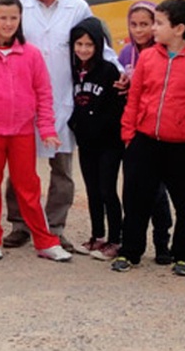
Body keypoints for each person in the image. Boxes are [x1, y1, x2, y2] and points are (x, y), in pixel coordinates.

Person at [5, 0, 120, 253]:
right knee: (20, 166)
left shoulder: (77, 7)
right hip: (22, 101)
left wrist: (121, 73)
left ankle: (55, 227)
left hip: (63, 100)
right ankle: (19, 224)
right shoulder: (19, 4)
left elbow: (99, 46)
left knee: (62, 170)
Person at [111, 0, 185, 275]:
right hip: (144, 140)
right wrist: (128, 133)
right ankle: (130, 251)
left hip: (183, 145)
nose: (153, 29)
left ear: (178, 28)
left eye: (158, 23)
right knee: (135, 199)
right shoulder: (148, 57)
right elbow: (135, 97)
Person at [0, 0, 73, 263]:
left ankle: (44, 240)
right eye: (2, 17)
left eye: (13, 18)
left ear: (20, 19)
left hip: (22, 132)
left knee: (28, 187)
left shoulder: (31, 54)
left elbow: (43, 92)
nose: (8, 23)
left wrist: (48, 128)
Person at [117, 0, 174, 264]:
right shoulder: (126, 54)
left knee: (158, 192)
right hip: (133, 131)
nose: (139, 30)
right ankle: (132, 245)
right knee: (134, 190)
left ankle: (162, 243)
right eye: (134, 24)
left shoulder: (163, 54)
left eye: (146, 24)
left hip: (156, 130)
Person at [68, 17, 126, 261]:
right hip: (86, 142)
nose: (83, 49)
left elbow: (116, 107)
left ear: (99, 46)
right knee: (92, 190)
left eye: (89, 45)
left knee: (107, 189)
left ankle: (116, 239)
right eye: (79, 44)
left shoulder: (108, 70)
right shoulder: (73, 70)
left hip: (109, 143)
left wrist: (100, 127)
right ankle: (97, 236)